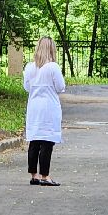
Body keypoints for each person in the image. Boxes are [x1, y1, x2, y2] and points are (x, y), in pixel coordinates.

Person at [23, 35, 66, 186]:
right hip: (49, 107)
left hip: (34, 106)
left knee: (34, 141)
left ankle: (34, 175)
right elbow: (60, 87)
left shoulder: (29, 67)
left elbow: (26, 87)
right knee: (47, 141)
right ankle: (45, 176)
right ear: (52, 49)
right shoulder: (53, 67)